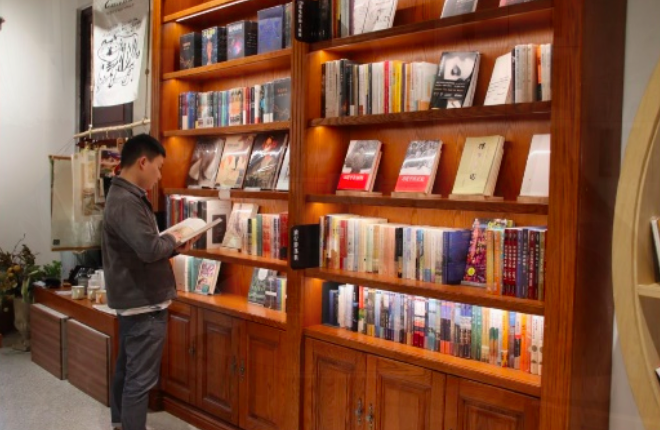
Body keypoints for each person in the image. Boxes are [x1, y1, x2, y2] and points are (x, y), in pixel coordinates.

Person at [102, 134, 193, 430]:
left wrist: (171, 245)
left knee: (128, 371)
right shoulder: (126, 200)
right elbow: (149, 249)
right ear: (143, 162)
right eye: (158, 167)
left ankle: (120, 424)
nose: (159, 176)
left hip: (135, 300)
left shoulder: (124, 195)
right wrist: (174, 239)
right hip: (143, 303)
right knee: (139, 380)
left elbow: (143, 247)